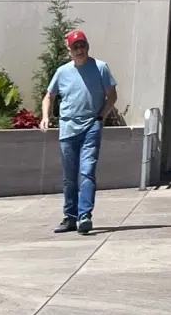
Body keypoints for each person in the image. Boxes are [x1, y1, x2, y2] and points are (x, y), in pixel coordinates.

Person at [40, 30, 117, 235]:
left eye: (82, 46)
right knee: (69, 176)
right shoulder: (62, 72)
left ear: (87, 46)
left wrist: (102, 116)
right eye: (75, 47)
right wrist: (45, 116)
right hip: (68, 129)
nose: (80, 50)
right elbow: (49, 96)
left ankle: (85, 216)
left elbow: (112, 95)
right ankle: (70, 217)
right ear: (69, 51)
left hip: (92, 125)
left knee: (87, 171)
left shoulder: (100, 68)